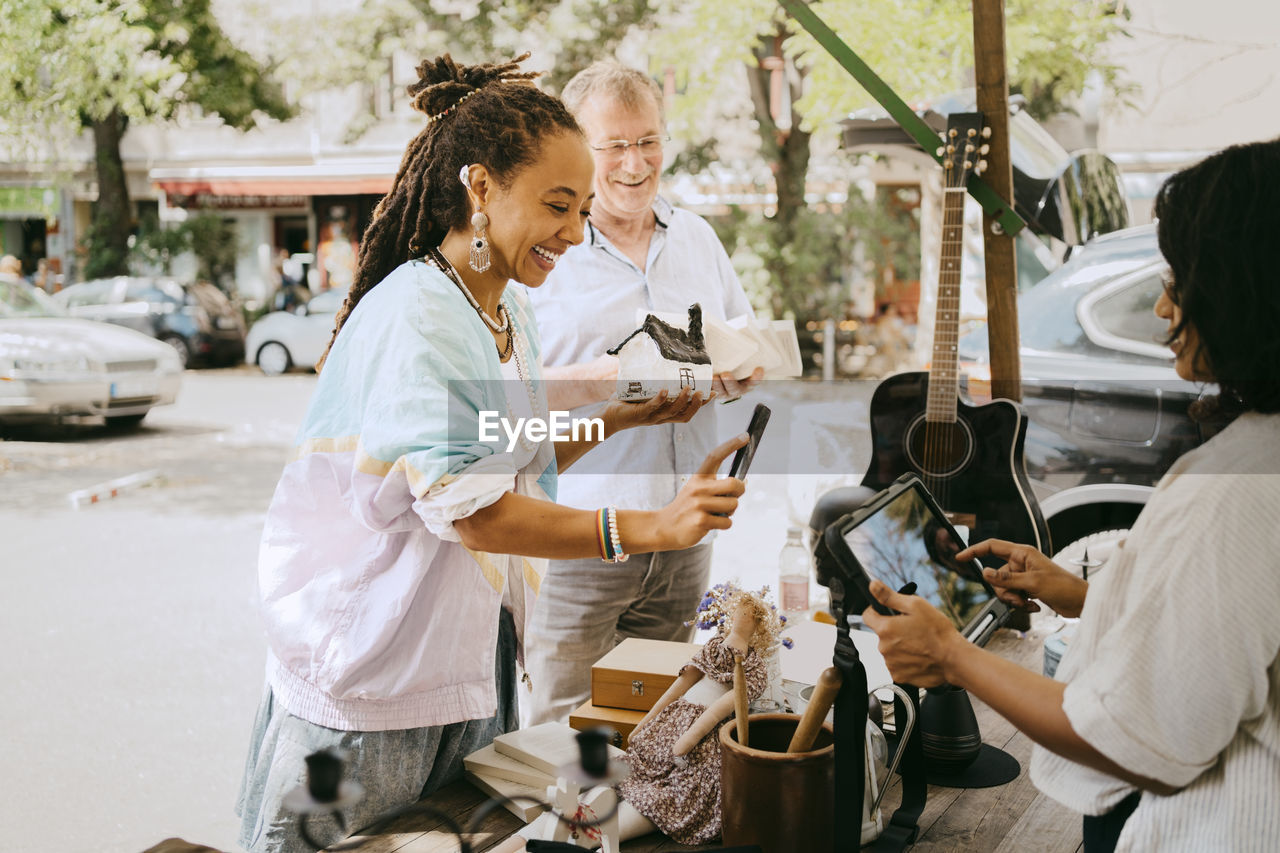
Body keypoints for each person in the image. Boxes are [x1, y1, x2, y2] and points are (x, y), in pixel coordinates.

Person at [235, 53, 751, 853]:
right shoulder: (419, 313)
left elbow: (514, 457)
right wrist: (652, 527)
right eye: (558, 205)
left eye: (581, 210)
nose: (576, 233)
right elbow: (474, 514)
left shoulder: (505, 310)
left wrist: (615, 421)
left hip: (465, 672)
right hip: (371, 686)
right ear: (481, 188)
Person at [862, 137, 1280, 852]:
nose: (1159, 304)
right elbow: (1238, 628)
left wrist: (952, 657)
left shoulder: (1238, 486)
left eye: (1177, 280)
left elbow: (1130, 738)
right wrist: (1087, 594)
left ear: (1239, 292)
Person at [523, 61, 765, 726]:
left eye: (648, 141)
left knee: (654, 718)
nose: (635, 163)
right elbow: (508, 394)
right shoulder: (544, 249)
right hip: (578, 534)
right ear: (576, 148)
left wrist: (738, 370)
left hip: (685, 532)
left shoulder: (697, 237)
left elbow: (732, 337)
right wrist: (610, 382)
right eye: (615, 146)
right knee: (561, 729)